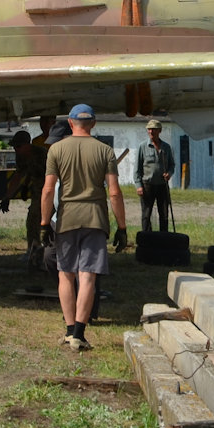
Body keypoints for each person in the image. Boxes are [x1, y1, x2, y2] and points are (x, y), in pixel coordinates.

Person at [40, 104, 131, 352]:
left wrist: (44, 222)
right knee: (87, 275)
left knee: (65, 273)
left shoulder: (56, 150)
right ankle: (80, 333)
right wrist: (122, 227)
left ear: (70, 123)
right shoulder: (105, 151)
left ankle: (69, 331)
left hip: (67, 217)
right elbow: (114, 192)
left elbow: (48, 190)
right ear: (93, 123)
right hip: (95, 218)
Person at [0, 129, 48, 267]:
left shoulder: (42, 154)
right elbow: (19, 175)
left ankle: (48, 253)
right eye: (14, 146)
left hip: (50, 191)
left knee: (46, 222)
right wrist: (7, 197)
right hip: (37, 191)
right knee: (32, 220)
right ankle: (33, 251)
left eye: (18, 146)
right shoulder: (21, 156)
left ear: (28, 144)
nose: (16, 149)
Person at [136, 119, 176, 233]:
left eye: (153, 129)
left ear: (159, 131)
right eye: (149, 129)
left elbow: (172, 165)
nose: (151, 132)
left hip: (162, 185)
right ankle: (146, 238)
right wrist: (138, 185)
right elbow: (137, 168)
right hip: (147, 185)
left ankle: (163, 239)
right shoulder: (142, 146)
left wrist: (169, 173)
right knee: (146, 214)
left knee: (164, 214)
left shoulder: (166, 147)